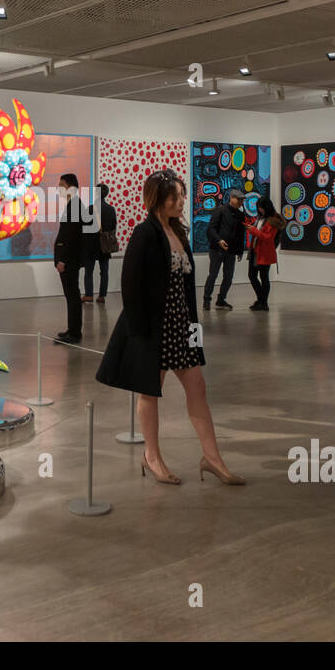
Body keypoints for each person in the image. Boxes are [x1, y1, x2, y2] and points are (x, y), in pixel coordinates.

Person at [95, 169, 244, 486]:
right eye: (173, 196)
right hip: (153, 328)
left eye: (181, 195)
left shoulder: (179, 232)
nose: (180, 201)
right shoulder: (145, 233)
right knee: (150, 392)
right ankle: (152, 456)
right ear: (158, 200)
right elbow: (130, 284)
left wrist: (196, 334)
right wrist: (139, 333)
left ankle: (212, 458)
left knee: (198, 388)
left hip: (182, 326)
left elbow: (187, 291)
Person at [52, 173, 84, 344]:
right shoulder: (73, 205)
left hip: (69, 261)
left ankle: (75, 333)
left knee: (72, 296)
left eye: (61, 185)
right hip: (69, 259)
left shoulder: (75, 206)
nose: (59, 188)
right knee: (71, 296)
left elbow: (72, 237)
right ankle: (72, 329)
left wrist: (63, 260)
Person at [203, 188, 246, 311]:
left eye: (242, 200)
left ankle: (221, 300)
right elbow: (211, 229)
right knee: (213, 275)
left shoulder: (240, 215)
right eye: (239, 199)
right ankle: (207, 299)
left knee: (228, 277)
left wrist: (240, 250)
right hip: (216, 249)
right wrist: (219, 240)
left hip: (231, 251)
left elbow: (240, 234)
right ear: (232, 198)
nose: (241, 202)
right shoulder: (220, 210)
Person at [243, 197, 284, 311]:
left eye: (261, 208)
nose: (259, 210)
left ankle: (263, 302)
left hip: (265, 253)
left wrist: (254, 230)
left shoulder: (273, 220)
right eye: (258, 208)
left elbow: (268, 238)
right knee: (252, 276)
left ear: (267, 207)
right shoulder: (260, 218)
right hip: (255, 251)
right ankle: (261, 300)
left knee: (263, 277)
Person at [81, 183, 117, 304]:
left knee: (89, 271)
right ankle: (102, 296)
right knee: (104, 271)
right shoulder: (111, 209)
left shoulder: (90, 209)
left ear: (96, 193)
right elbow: (113, 227)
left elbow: (84, 228)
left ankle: (89, 295)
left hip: (91, 245)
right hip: (105, 244)